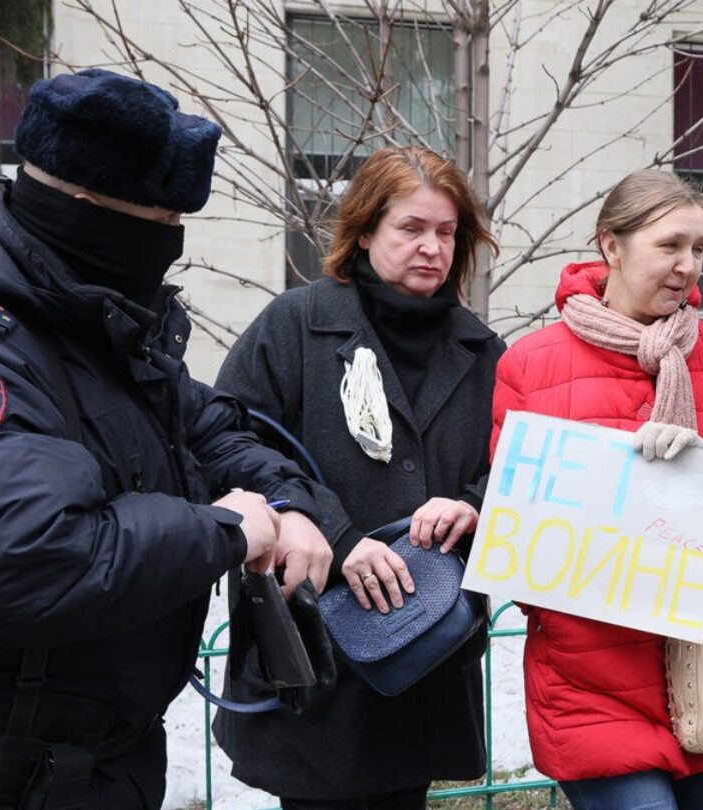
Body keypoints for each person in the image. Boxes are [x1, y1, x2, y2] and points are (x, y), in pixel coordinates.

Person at [0, 69, 330, 809]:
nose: (169, 246)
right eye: (158, 226)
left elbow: (201, 424)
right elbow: (23, 558)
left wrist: (289, 500)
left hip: (81, 764)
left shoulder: (84, 320)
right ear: (85, 209)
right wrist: (226, 529)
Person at [488, 169, 703, 810]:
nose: (687, 266)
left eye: (700, 248)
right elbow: (515, 520)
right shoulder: (530, 363)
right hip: (588, 682)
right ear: (611, 245)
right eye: (669, 246)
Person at [212, 146, 503, 809]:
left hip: (423, 645)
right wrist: (328, 529)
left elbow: (511, 470)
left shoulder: (481, 348)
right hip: (319, 650)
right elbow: (225, 440)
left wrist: (473, 505)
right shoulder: (295, 325)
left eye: (446, 232)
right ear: (365, 229)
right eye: (411, 228)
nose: (431, 247)